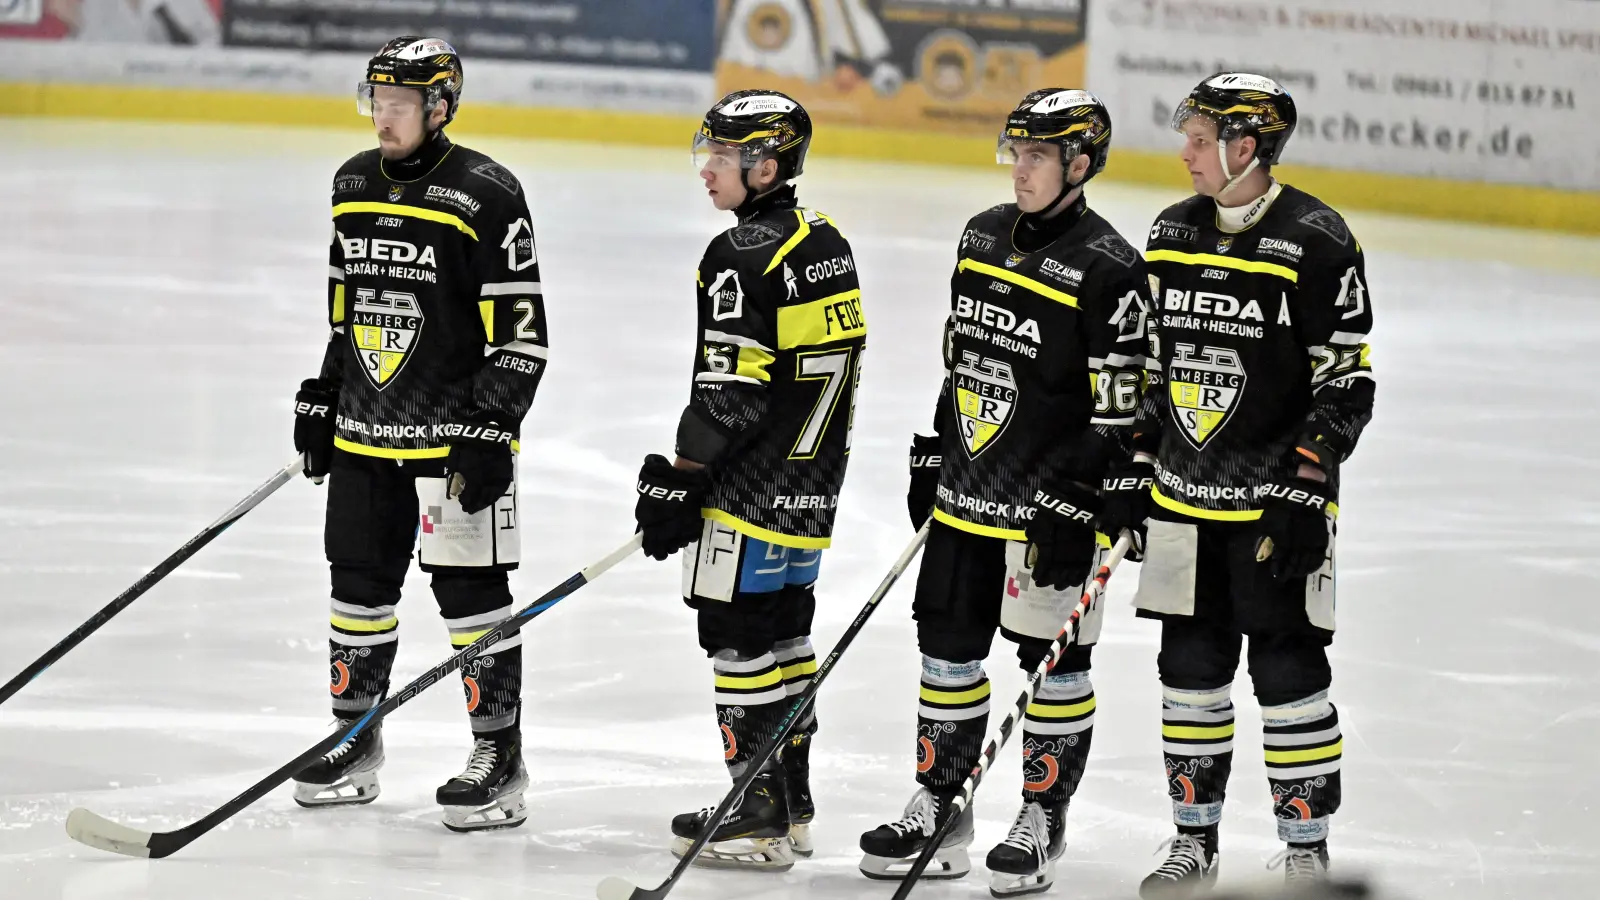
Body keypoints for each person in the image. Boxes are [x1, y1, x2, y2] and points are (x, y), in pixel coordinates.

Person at [856, 89, 1151, 897]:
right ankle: (942, 805)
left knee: (1053, 665)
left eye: (1037, 157)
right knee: (946, 651)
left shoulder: (1112, 267)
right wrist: (934, 443)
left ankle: (1042, 817)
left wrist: (1081, 494)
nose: (1019, 170)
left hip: (1049, 509)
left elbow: (1123, 410)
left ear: (1080, 165)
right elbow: (966, 363)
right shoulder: (981, 234)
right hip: (968, 492)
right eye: (1014, 154)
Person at [1100, 72, 1376, 896]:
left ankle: (1305, 850)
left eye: (1198, 139)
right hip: (1184, 507)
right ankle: (1194, 840)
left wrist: (1307, 481)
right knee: (1188, 673)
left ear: (1244, 146)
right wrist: (1135, 467)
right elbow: (1154, 370)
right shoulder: (1172, 232)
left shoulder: (1318, 239)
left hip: (1275, 509)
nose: (1184, 152)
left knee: (1290, 677)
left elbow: (1346, 381)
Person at [287, 36, 550, 833]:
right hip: (368, 436)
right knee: (356, 592)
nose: (384, 118)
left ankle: (498, 757)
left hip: (454, 447)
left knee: (471, 600)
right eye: (377, 102)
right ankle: (354, 739)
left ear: (440, 108)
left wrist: (491, 426)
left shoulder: (487, 193)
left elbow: (523, 336)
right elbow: (350, 316)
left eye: (399, 105)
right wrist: (326, 394)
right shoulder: (351, 184)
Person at [630, 89, 866, 872]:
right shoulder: (824, 239)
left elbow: (729, 388)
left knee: (735, 640)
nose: (706, 170)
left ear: (766, 165)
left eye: (722, 159)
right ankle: (792, 801)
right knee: (786, 637)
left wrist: (680, 476)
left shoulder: (739, 256)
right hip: (813, 490)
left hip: (750, 489)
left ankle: (753, 809)